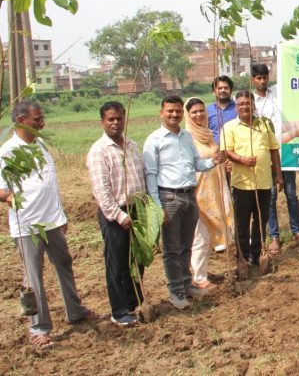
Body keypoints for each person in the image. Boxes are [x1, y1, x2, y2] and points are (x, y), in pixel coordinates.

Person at [1, 101, 98, 348]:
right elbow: (1, 188)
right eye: (37, 120)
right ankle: (38, 328)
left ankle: (74, 310)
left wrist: (60, 215)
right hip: (27, 225)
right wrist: (10, 197)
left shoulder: (41, 145)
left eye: (42, 118)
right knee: (33, 277)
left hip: (52, 221)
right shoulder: (8, 151)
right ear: (21, 121)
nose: (42, 123)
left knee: (64, 264)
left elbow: (50, 183)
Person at [143, 95, 226, 310]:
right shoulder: (155, 140)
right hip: (168, 197)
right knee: (171, 249)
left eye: (178, 111)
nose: (174, 115)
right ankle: (176, 292)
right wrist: (156, 206)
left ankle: (187, 285)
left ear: (182, 113)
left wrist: (212, 161)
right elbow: (150, 174)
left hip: (190, 195)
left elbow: (196, 164)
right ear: (161, 113)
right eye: (170, 111)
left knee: (186, 245)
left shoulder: (187, 137)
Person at [87, 101, 146, 327]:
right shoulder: (99, 151)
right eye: (111, 119)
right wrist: (119, 216)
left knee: (137, 260)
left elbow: (141, 177)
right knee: (117, 263)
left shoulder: (131, 145)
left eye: (119, 118)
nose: (116, 123)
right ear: (102, 121)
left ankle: (133, 302)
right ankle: (119, 310)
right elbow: (101, 191)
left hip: (136, 210)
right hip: (115, 215)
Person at [223, 91, 284, 266]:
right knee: (242, 223)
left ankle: (257, 255)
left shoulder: (264, 125)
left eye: (248, 103)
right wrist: (241, 159)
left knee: (260, 220)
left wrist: (279, 175)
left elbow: (273, 149)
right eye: (241, 104)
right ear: (236, 106)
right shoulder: (230, 127)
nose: (245, 106)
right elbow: (226, 150)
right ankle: (242, 257)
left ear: (253, 105)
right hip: (242, 183)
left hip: (264, 182)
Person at [252, 63, 299, 253]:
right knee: (271, 197)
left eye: (265, 77)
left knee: (291, 194)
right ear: (253, 79)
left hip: (285, 152)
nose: (262, 81)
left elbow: (290, 78)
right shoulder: (252, 102)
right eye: (259, 78)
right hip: (266, 154)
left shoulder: (276, 92)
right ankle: (274, 236)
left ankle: (297, 230)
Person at [184, 97, 231, 290]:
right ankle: (199, 278)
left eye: (201, 111)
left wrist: (222, 162)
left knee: (209, 235)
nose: (199, 115)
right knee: (200, 237)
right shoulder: (187, 137)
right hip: (198, 193)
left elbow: (214, 157)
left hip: (214, 191)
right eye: (194, 112)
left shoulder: (208, 134)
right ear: (188, 115)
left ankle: (199, 270)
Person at [208, 75, 237, 144]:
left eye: (226, 88)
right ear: (214, 92)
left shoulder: (239, 109)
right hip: (215, 152)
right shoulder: (207, 110)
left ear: (231, 90)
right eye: (219, 88)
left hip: (236, 151)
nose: (223, 90)